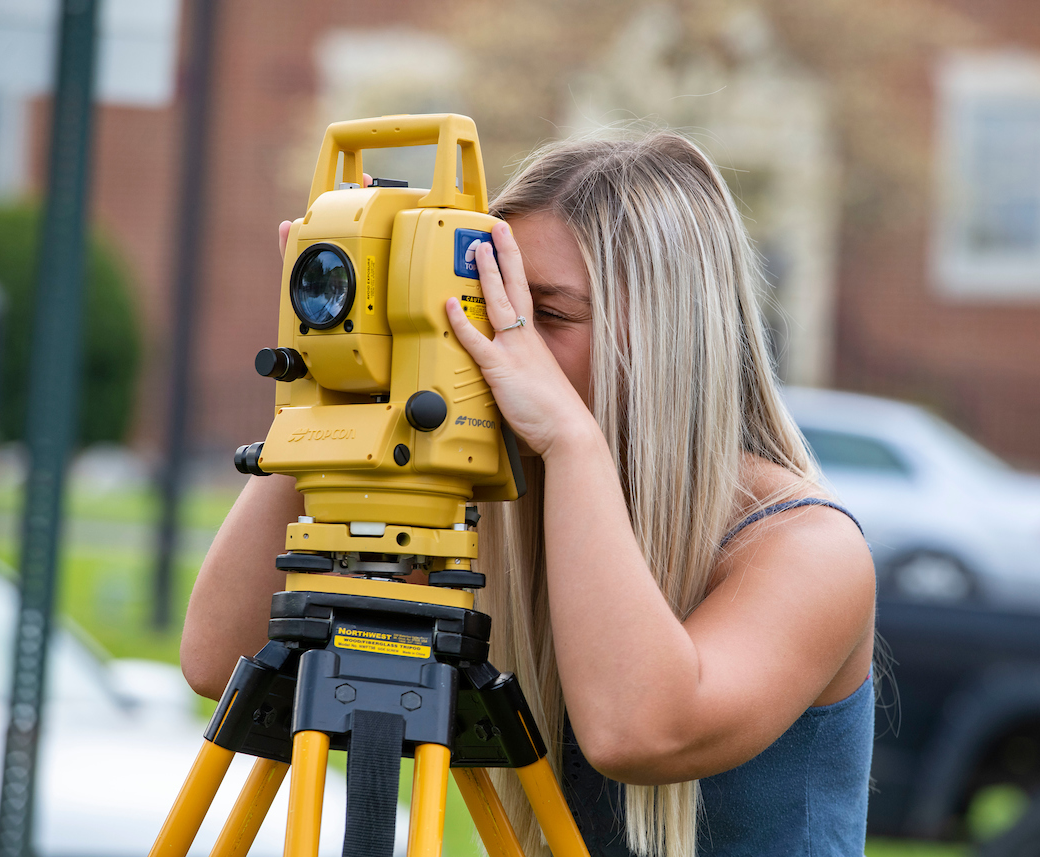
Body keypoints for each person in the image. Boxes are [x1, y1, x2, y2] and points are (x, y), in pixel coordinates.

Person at [180, 130, 876, 857]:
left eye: (546, 315)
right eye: (483, 309)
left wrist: (572, 441)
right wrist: (336, 380)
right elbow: (223, 658)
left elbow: (638, 728)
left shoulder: (808, 548)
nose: (499, 345)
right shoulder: (510, 509)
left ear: (671, 337)